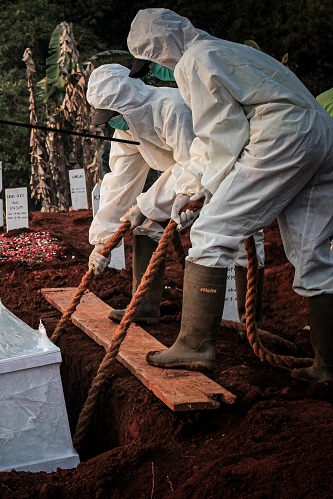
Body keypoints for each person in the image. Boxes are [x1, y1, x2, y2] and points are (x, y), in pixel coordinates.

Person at [127, 9, 333, 381]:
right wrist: (193, 187)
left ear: (161, 48)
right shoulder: (226, 49)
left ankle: (194, 345)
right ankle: (328, 365)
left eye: (153, 62)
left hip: (281, 136)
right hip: (321, 133)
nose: (158, 72)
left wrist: (198, 191)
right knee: (312, 253)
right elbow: (220, 137)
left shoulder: (195, 60)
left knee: (210, 233)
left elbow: (222, 138)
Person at [86, 63, 265, 326]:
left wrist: (147, 205)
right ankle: (144, 306)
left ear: (128, 101)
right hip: (188, 182)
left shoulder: (172, 109)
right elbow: (120, 180)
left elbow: (195, 163)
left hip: (228, 172)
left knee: (237, 239)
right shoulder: (128, 128)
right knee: (146, 225)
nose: (114, 121)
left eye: (114, 114)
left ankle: (248, 323)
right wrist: (102, 241)